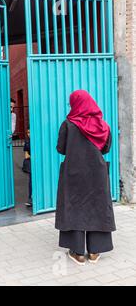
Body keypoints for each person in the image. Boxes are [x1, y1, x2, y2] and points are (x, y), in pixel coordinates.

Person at [55, 90, 116, 266]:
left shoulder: (68, 124)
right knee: (97, 206)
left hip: (73, 172)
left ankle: (78, 253)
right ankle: (95, 251)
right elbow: (105, 149)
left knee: (74, 206)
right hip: (97, 172)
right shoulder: (103, 125)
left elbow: (61, 149)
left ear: (76, 104)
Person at [22, 128, 32, 207]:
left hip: (33, 161)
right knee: (31, 181)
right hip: (31, 163)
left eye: (30, 132)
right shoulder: (27, 142)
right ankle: (30, 198)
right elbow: (26, 155)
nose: (29, 134)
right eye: (28, 132)